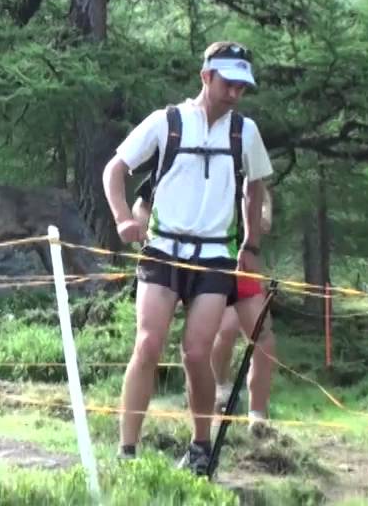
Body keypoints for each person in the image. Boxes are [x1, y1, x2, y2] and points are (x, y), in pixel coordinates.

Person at [102, 40, 276, 477]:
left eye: (242, 87)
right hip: (162, 250)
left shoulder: (245, 132)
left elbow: (255, 187)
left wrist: (250, 245)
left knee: (197, 352)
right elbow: (115, 169)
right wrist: (124, 218)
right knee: (147, 344)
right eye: (228, 84)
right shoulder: (167, 122)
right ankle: (127, 452)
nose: (235, 94)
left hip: (215, 257)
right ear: (206, 77)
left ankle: (200, 449)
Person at [131, 186, 276, 439]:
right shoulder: (182, 154)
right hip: (205, 263)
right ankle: (218, 392)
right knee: (223, 330)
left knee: (263, 334)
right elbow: (141, 203)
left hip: (238, 260)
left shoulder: (239, 153)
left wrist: (263, 214)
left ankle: (258, 416)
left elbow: (260, 192)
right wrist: (152, 241)